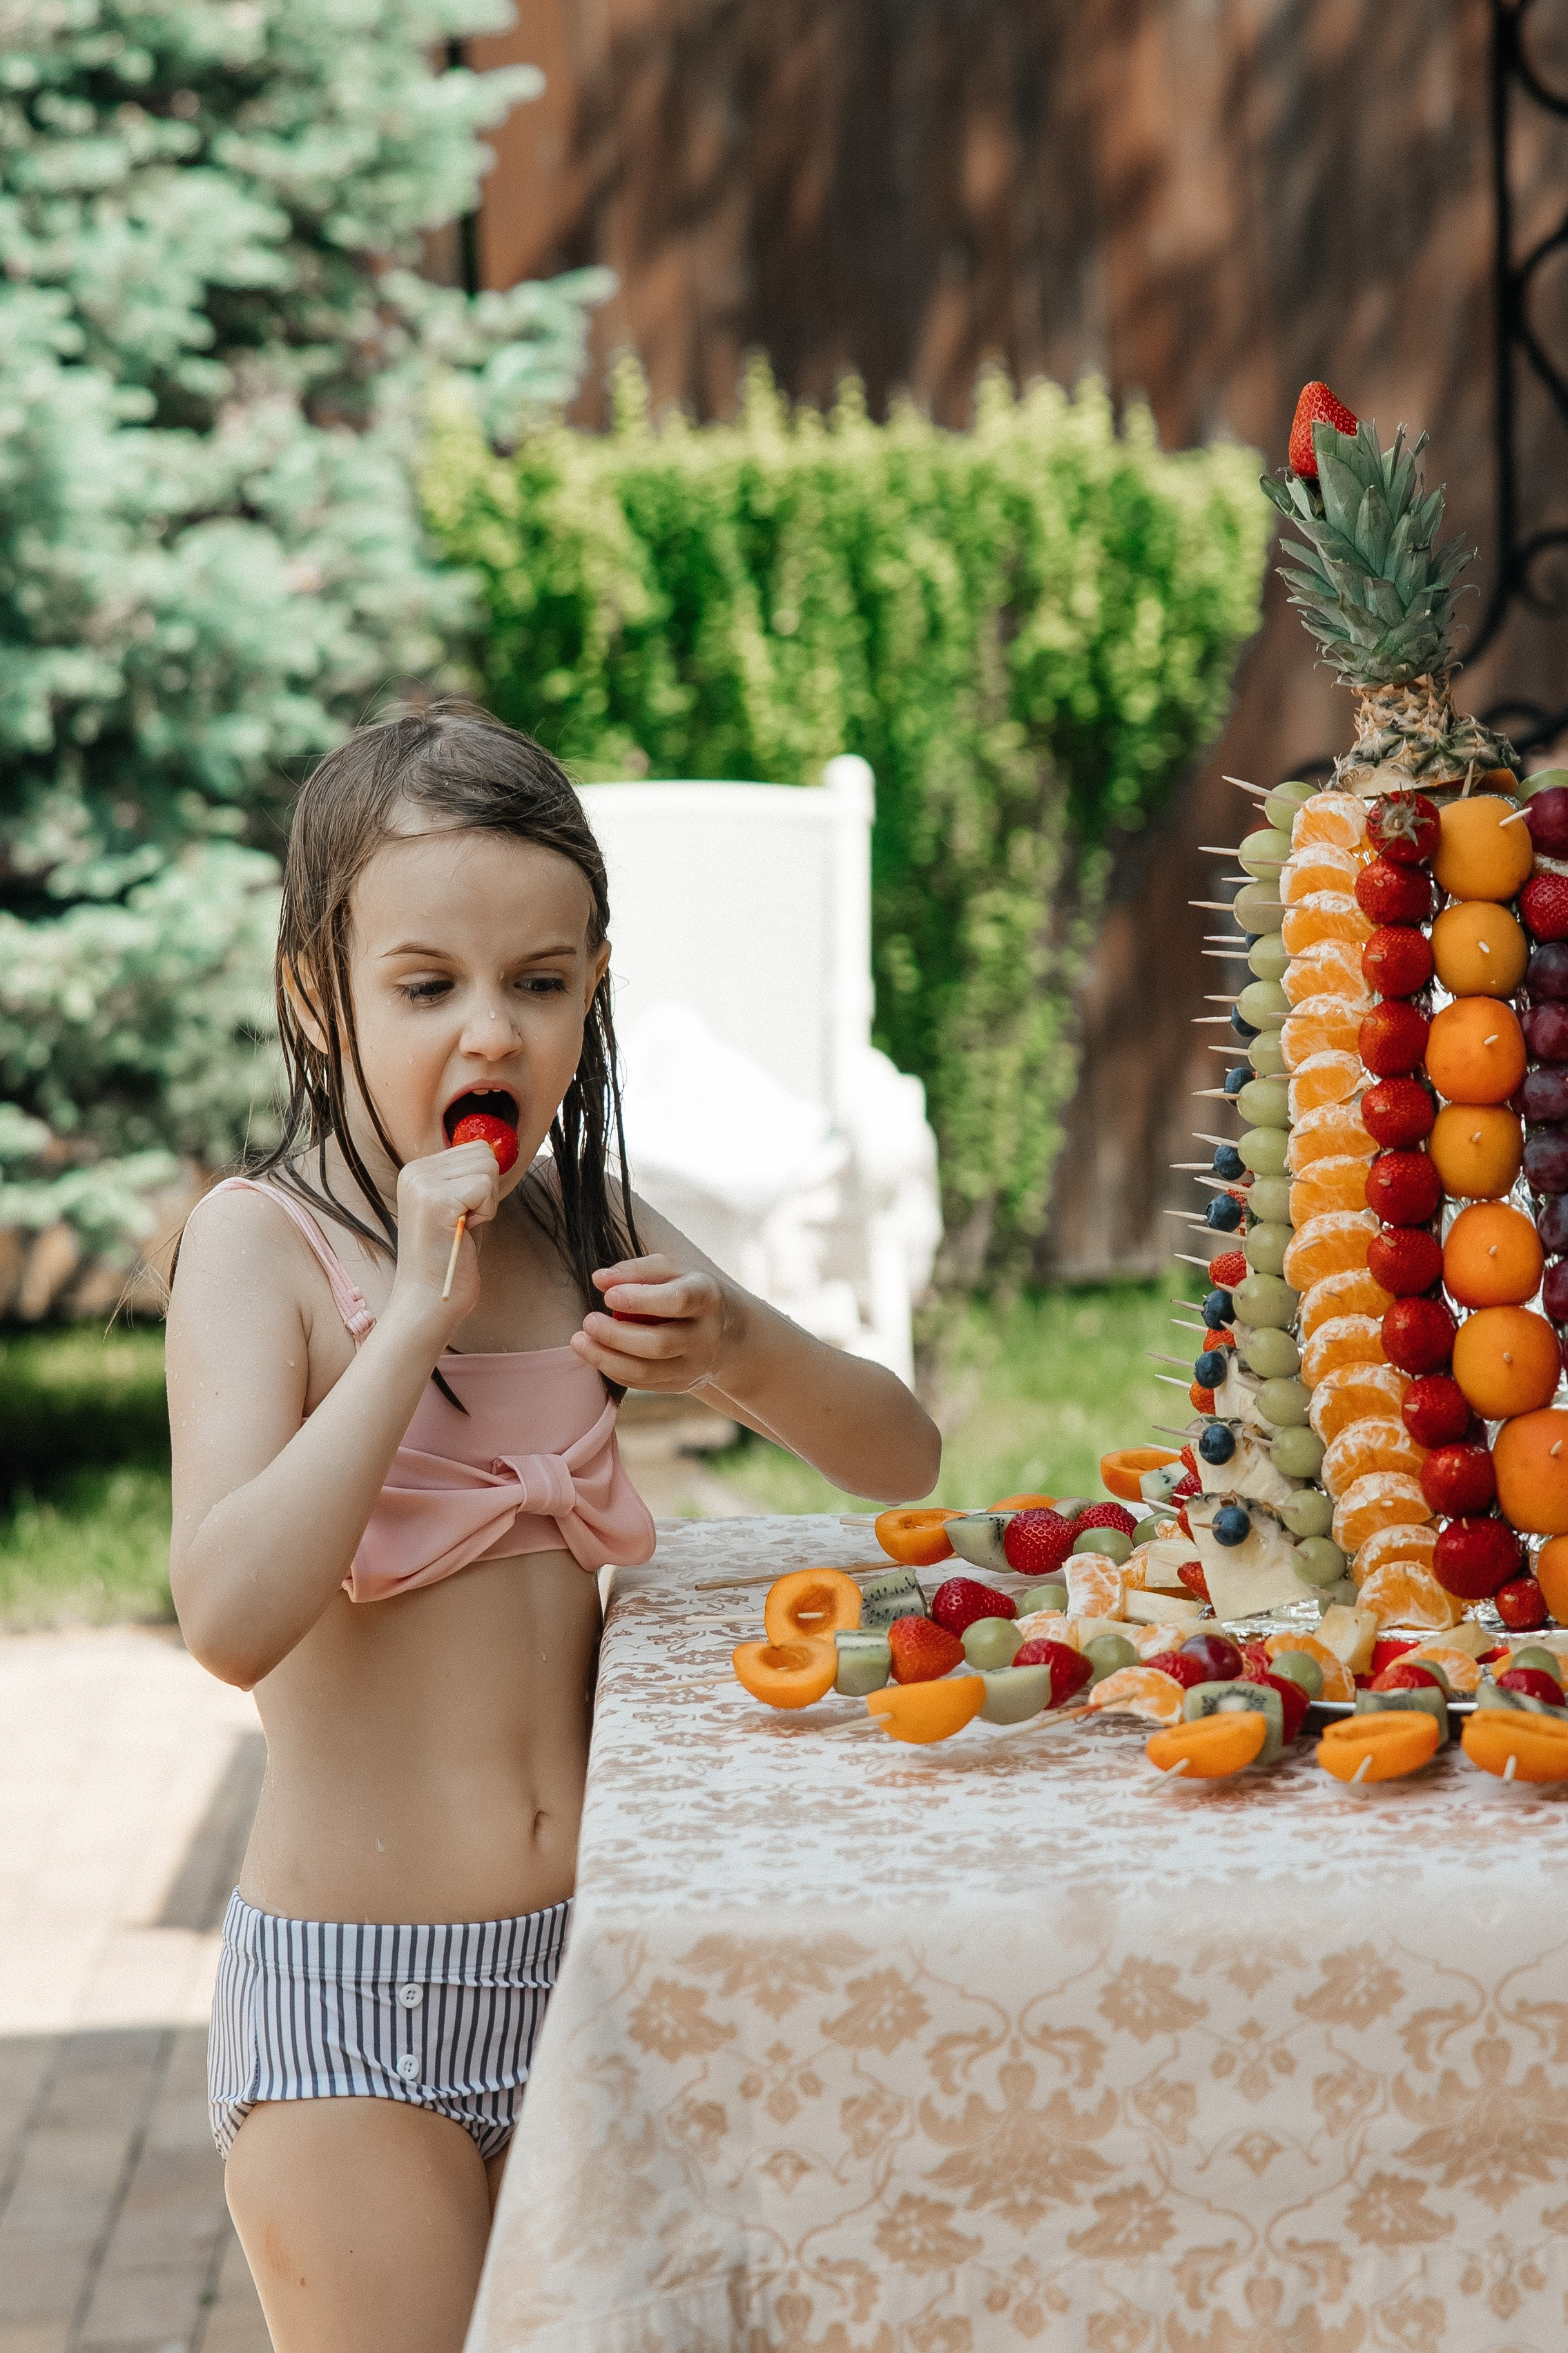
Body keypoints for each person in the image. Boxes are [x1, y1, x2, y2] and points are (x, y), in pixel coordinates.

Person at [165, 703, 940, 2353]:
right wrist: (401, 1333)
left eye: (539, 983)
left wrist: (739, 1346)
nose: (490, 1036)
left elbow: (898, 1454)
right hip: (357, 2017)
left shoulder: (574, 1220)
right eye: (426, 986)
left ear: (595, 985)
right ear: (320, 991)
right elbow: (227, 1610)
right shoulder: (265, 1248)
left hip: (594, 1975)